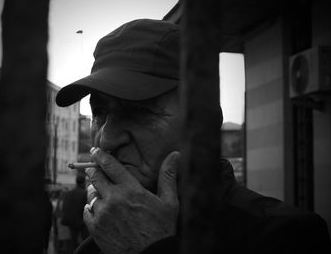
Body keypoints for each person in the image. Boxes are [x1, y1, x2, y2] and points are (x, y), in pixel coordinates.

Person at [55, 19, 331, 254]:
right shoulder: (98, 245)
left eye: (137, 110)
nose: (106, 139)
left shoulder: (284, 236)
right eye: (99, 111)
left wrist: (154, 248)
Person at [57, 171, 89, 253]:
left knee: (73, 243)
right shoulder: (84, 193)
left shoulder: (68, 193)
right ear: (83, 183)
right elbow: (88, 208)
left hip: (70, 222)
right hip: (81, 223)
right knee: (86, 242)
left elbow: (64, 207)